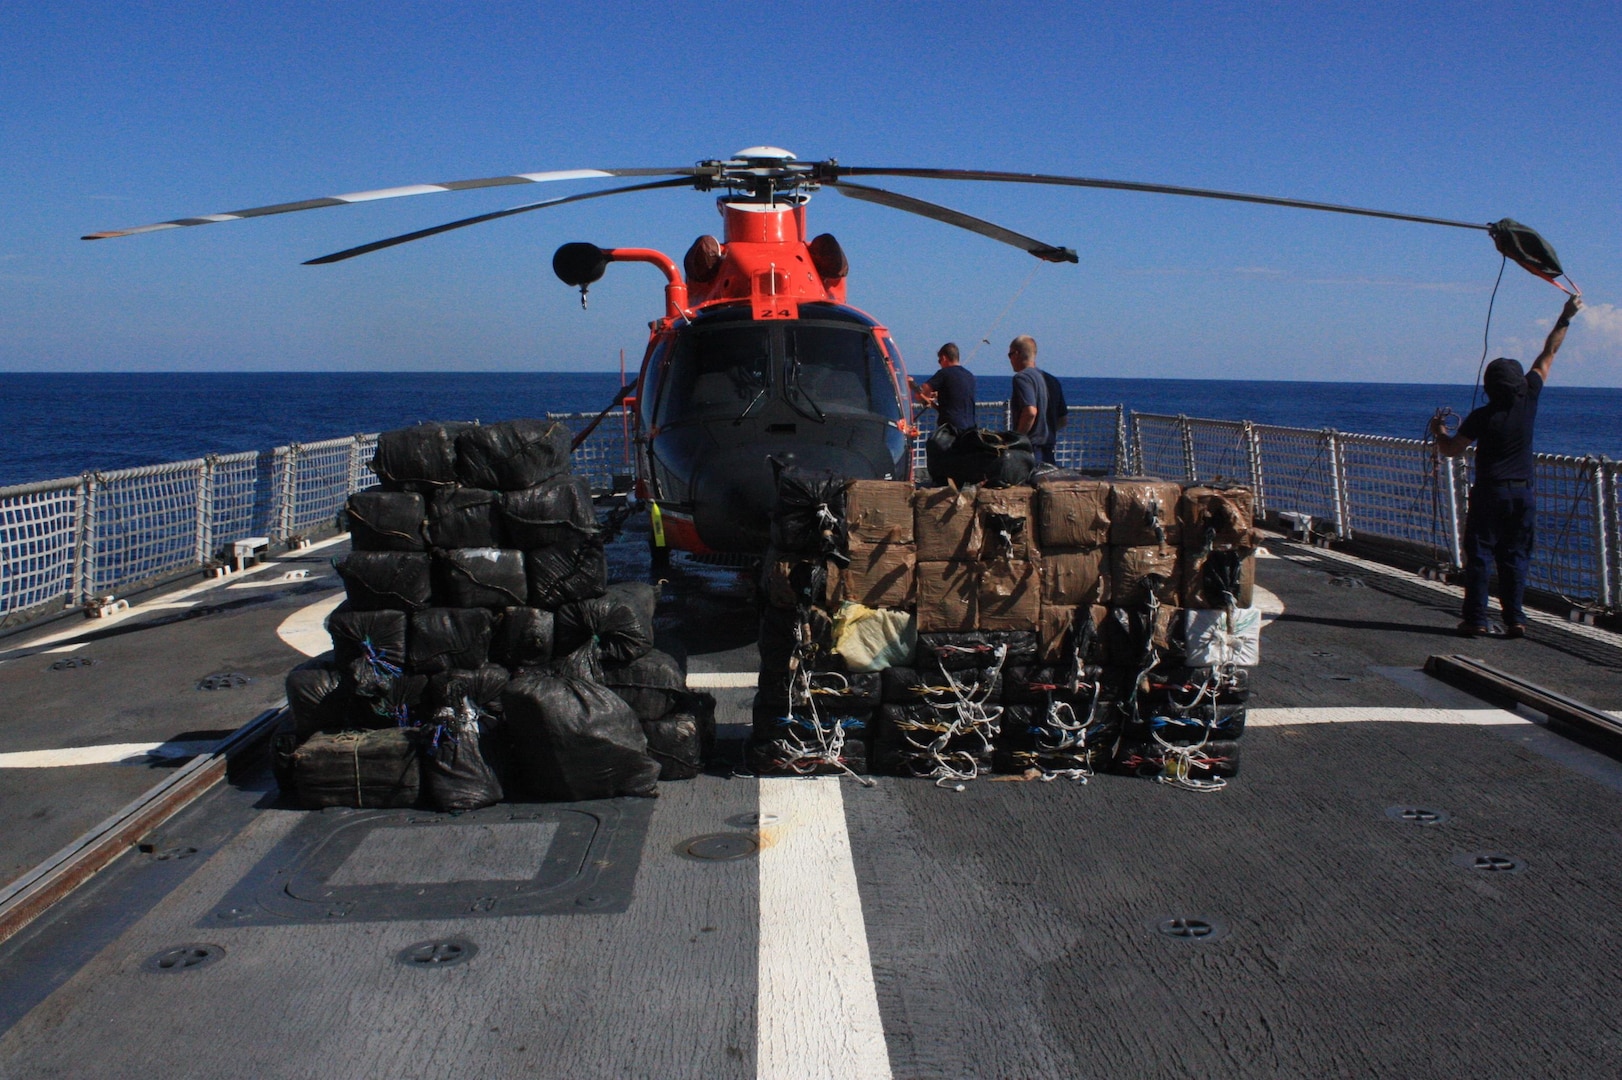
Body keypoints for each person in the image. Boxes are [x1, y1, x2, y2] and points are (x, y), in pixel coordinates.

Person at [1431, 294, 1582, 638]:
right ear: (1517, 381)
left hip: (1490, 493)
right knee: (1515, 557)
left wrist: (1439, 430)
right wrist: (1566, 315)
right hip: (1523, 494)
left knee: (1481, 556)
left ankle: (1476, 620)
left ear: (1490, 387)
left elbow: (1453, 450)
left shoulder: (1482, 416)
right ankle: (1515, 619)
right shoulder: (1529, 398)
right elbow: (1549, 352)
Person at [911, 342, 977, 433]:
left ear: (944, 358)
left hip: (951, 432)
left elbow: (921, 393)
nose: (940, 364)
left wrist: (911, 385)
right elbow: (956, 396)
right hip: (970, 431)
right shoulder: (970, 376)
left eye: (939, 361)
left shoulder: (943, 373)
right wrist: (939, 395)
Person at [1008, 335, 1050, 459]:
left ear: (1016, 354)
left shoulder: (1022, 378)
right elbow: (1062, 419)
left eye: (1009, 355)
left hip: (1029, 450)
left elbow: (1030, 411)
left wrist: (1018, 439)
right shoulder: (1048, 379)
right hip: (1047, 449)